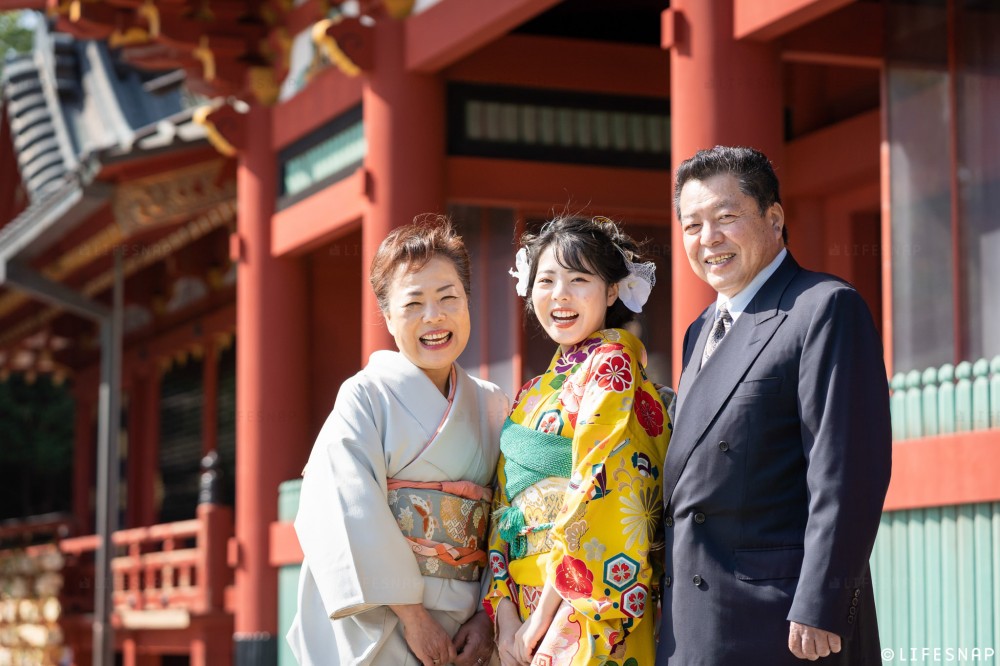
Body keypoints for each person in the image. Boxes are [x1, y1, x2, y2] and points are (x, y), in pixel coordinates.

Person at [656, 146, 892, 665]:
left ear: (774, 217)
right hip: (691, 618)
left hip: (780, 621)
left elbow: (846, 471)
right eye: (692, 225)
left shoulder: (823, 307)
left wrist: (822, 601)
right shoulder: (700, 331)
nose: (708, 239)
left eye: (725, 217)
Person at [287, 216, 508, 666]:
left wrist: (488, 617)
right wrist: (412, 616)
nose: (434, 317)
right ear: (387, 316)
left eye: (449, 297)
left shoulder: (492, 404)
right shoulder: (364, 396)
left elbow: (508, 518)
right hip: (387, 620)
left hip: (469, 624)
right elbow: (343, 507)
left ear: (468, 303)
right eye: (413, 304)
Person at [483, 215, 672, 666]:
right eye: (546, 280)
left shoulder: (613, 368)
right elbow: (502, 506)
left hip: (585, 601)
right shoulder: (531, 392)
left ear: (611, 291)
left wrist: (542, 618)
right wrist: (505, 614)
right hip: (524, 606)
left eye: (578, 279)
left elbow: (598, 488)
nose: (560, 295)